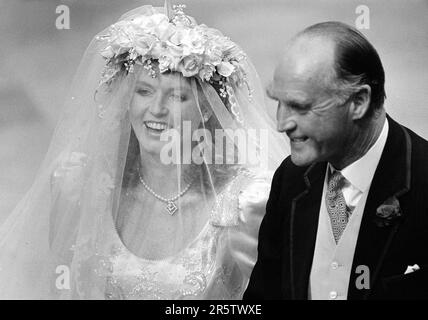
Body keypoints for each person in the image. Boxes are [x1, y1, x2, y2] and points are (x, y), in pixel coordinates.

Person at [0, 4, 287, 299]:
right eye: (144, 91)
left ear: (206, 109)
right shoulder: (83, 187)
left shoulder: (244, 203)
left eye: (176, 96)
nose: (156, 110)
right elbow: (63, 289)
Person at [244, 21, 428, 300]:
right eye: (278, 101)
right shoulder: (291, 177)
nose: (281, 124)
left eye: (301, 106)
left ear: (359, 102)